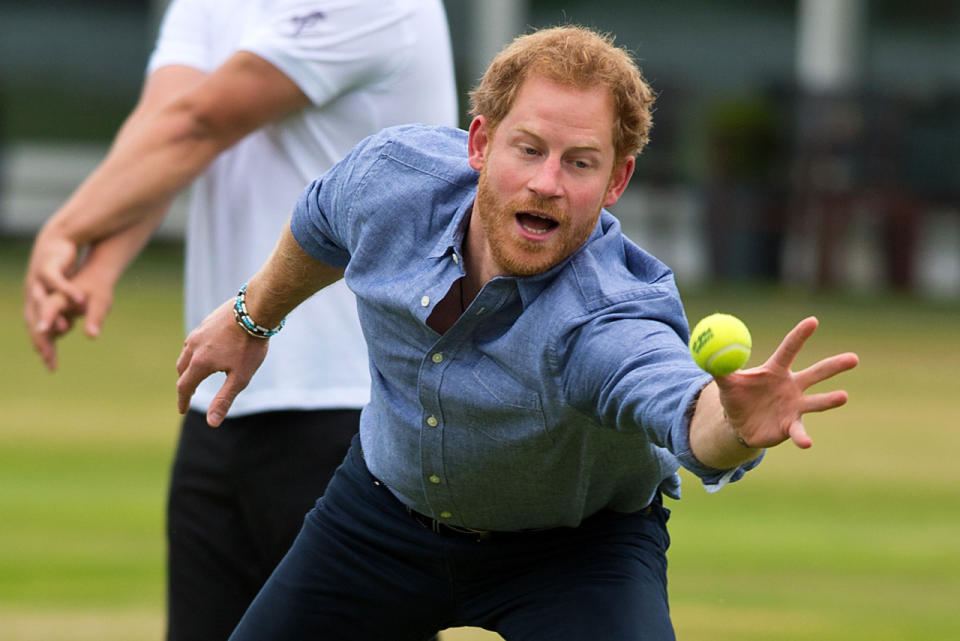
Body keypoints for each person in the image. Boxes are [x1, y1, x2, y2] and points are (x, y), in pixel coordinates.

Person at [174, 25, 859, 641]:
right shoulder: (390, 181)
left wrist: (732, 421)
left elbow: (680, 405)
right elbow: (319, 222)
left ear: (617, 179)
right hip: (380, 520)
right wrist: (251, 317)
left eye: (580, 162)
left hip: (575, 555)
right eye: (528, 149)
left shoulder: (609, 314)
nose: (546, 182)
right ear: (479, 142)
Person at [22, 1, 457, 640]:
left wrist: (66, 228)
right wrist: (101, 261)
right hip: (220, 403)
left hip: (358, 411)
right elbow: (165, 126)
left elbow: (201, 122)